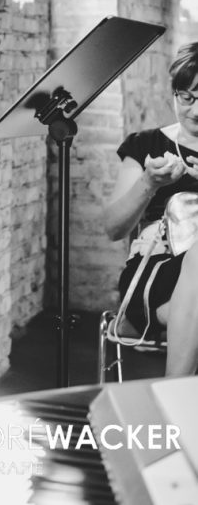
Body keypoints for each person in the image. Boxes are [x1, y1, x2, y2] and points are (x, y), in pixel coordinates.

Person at [104, 42, 198, 376]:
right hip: (155, 270)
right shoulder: (146, 145)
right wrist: (149, 182)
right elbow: (114, 228)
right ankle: (176, 399)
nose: (195, 110)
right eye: (186, 97)